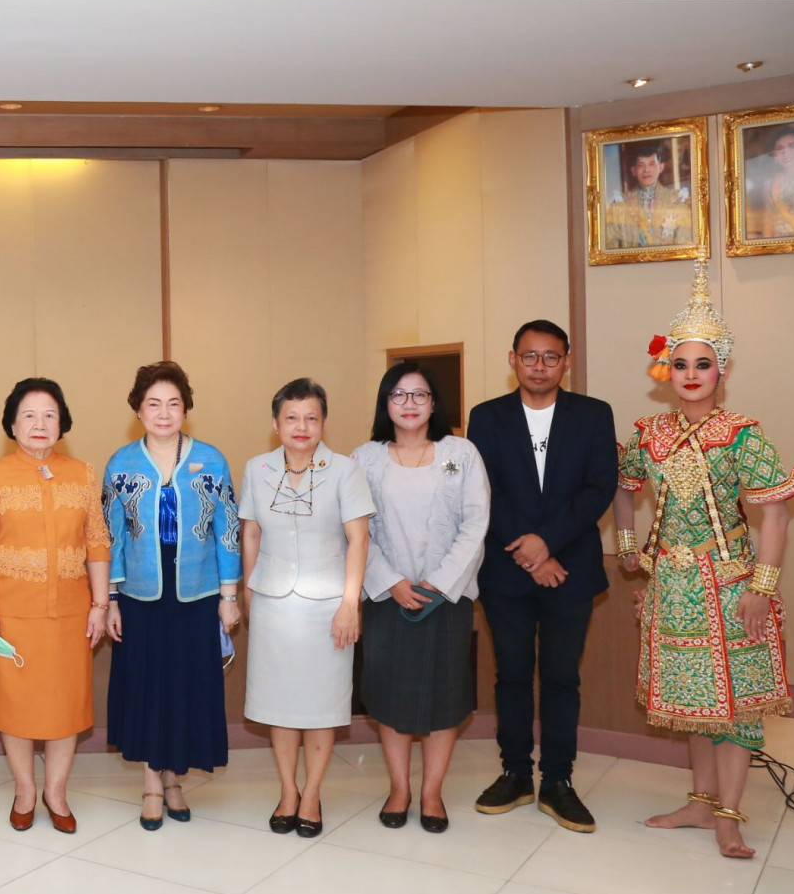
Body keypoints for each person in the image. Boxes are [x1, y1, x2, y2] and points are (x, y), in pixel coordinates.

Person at [615, 262, 794, 859]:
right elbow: (624, 488)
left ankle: (729, 815)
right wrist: (628, 550)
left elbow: (774, 513)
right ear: (665, 369)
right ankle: (700, 805)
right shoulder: (648, 433)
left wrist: (762, 587)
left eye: (703, 364)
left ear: (720, 369)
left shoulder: (742, 435)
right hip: (672, 587)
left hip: (732, 587)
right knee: (693, 703)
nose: (691, 375)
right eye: (681, 364)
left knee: (739, 709)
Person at [466, 320, 618, 832]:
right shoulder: (486, 417)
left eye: (550, 357)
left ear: (566, 362)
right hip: (507, 571)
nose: (539, 366)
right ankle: (514, 772)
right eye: (529, 356)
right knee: (509, 674)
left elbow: (599, 488)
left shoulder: (594, 415)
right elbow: (484, 490)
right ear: (513, 359)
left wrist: (548, 543)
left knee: (560, 677)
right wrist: (531, 553)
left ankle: (558, 780)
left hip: (570, 569)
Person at [0, 378, 110, 836]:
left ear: (62, 422)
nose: (39, 424)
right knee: (17, 707)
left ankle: (57, 792)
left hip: (70, 613)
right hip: (11, 615)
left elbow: (97, 543)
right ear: (12, 423)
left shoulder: (84, 473)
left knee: (65, 707)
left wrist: (101, 604)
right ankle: (26, 790)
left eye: (49, 414)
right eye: (28, 414)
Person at [351, 363, 489, 834]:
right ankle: (399, 789)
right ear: (385, 403)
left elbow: (476, 522)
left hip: (447, 598)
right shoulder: (364, 459)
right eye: (398, 395)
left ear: (434, 403)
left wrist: (440, 582)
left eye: (419, 395)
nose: (409, 404)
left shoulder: (460, 453)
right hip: (386, 597)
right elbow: (354, 530)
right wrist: (390, 581)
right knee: (388, 695)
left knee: (445, 697)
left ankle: (431, 792)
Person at [102, 362, 240, 830]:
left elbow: (228, 530)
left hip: (197, 591)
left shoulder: (212, 459)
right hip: (140, 594)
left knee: (186, 685)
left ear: (186, 409)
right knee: (146, 686)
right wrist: (112, 599)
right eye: (153, 404)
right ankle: (150, 783)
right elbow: (110, 537)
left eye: (173, 404)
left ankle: (176, 777)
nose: (164, 413)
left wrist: (229, 594)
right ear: (138, 410)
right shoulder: (121, 463)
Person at [238, 378, 372, 839]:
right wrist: (250, 591)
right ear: (276, 424)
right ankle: (288, 791)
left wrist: (350, 603)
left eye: (311, 417)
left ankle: (312, 794)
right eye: (292, 417)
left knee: (321, 705)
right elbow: (250, 533)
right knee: (279, 705)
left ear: (323, 423)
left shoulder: (344, 470)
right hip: (273, 601)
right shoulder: (256, 469)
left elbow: (359, 539)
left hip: (328, 606)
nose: (302, 426)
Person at [604, 140, 692, 250]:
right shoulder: (619, 205)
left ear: (661, 167)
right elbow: (611, 248)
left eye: (651, 164)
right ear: (634, 170)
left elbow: (685, 245)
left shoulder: (677, 201)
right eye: (641, 165)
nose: (646, 170)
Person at [753, 126, 794, 239]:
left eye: (792, 146)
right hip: (781, 248)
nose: (785, 152)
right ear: (775, 155)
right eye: (780, 148)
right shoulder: (769, 185)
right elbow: (768, 223)